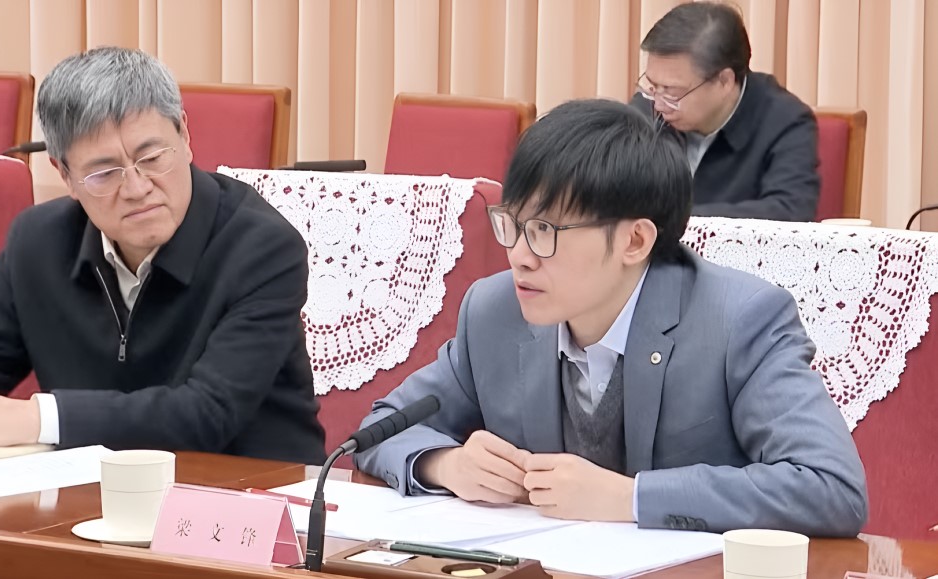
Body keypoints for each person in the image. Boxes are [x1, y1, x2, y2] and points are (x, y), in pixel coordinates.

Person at [353, 98, 868, 536]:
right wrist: (446, 464)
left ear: (635, 240)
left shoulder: (738, 321)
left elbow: (830, 488)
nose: (520, 256)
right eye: (512, 224)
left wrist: (630, 498)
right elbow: (379, 430)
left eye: (545, 231)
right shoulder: (495, 310)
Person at [0, 47, 326, 465]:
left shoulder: (262, 247)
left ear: (185, 134)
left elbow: (207, 413)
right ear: (64, 175)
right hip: (85, 499)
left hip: (248, 501)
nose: (137, 188)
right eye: (104, 173)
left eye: (152, 158)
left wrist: (34, 419)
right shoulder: (39, 241)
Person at [630, 1, 820, 221]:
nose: (659, 105)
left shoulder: (785, 121)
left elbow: (789, 210)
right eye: (653, 85)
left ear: (724, 81)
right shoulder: (646, 108)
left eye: (673, 91)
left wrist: (674, 219)